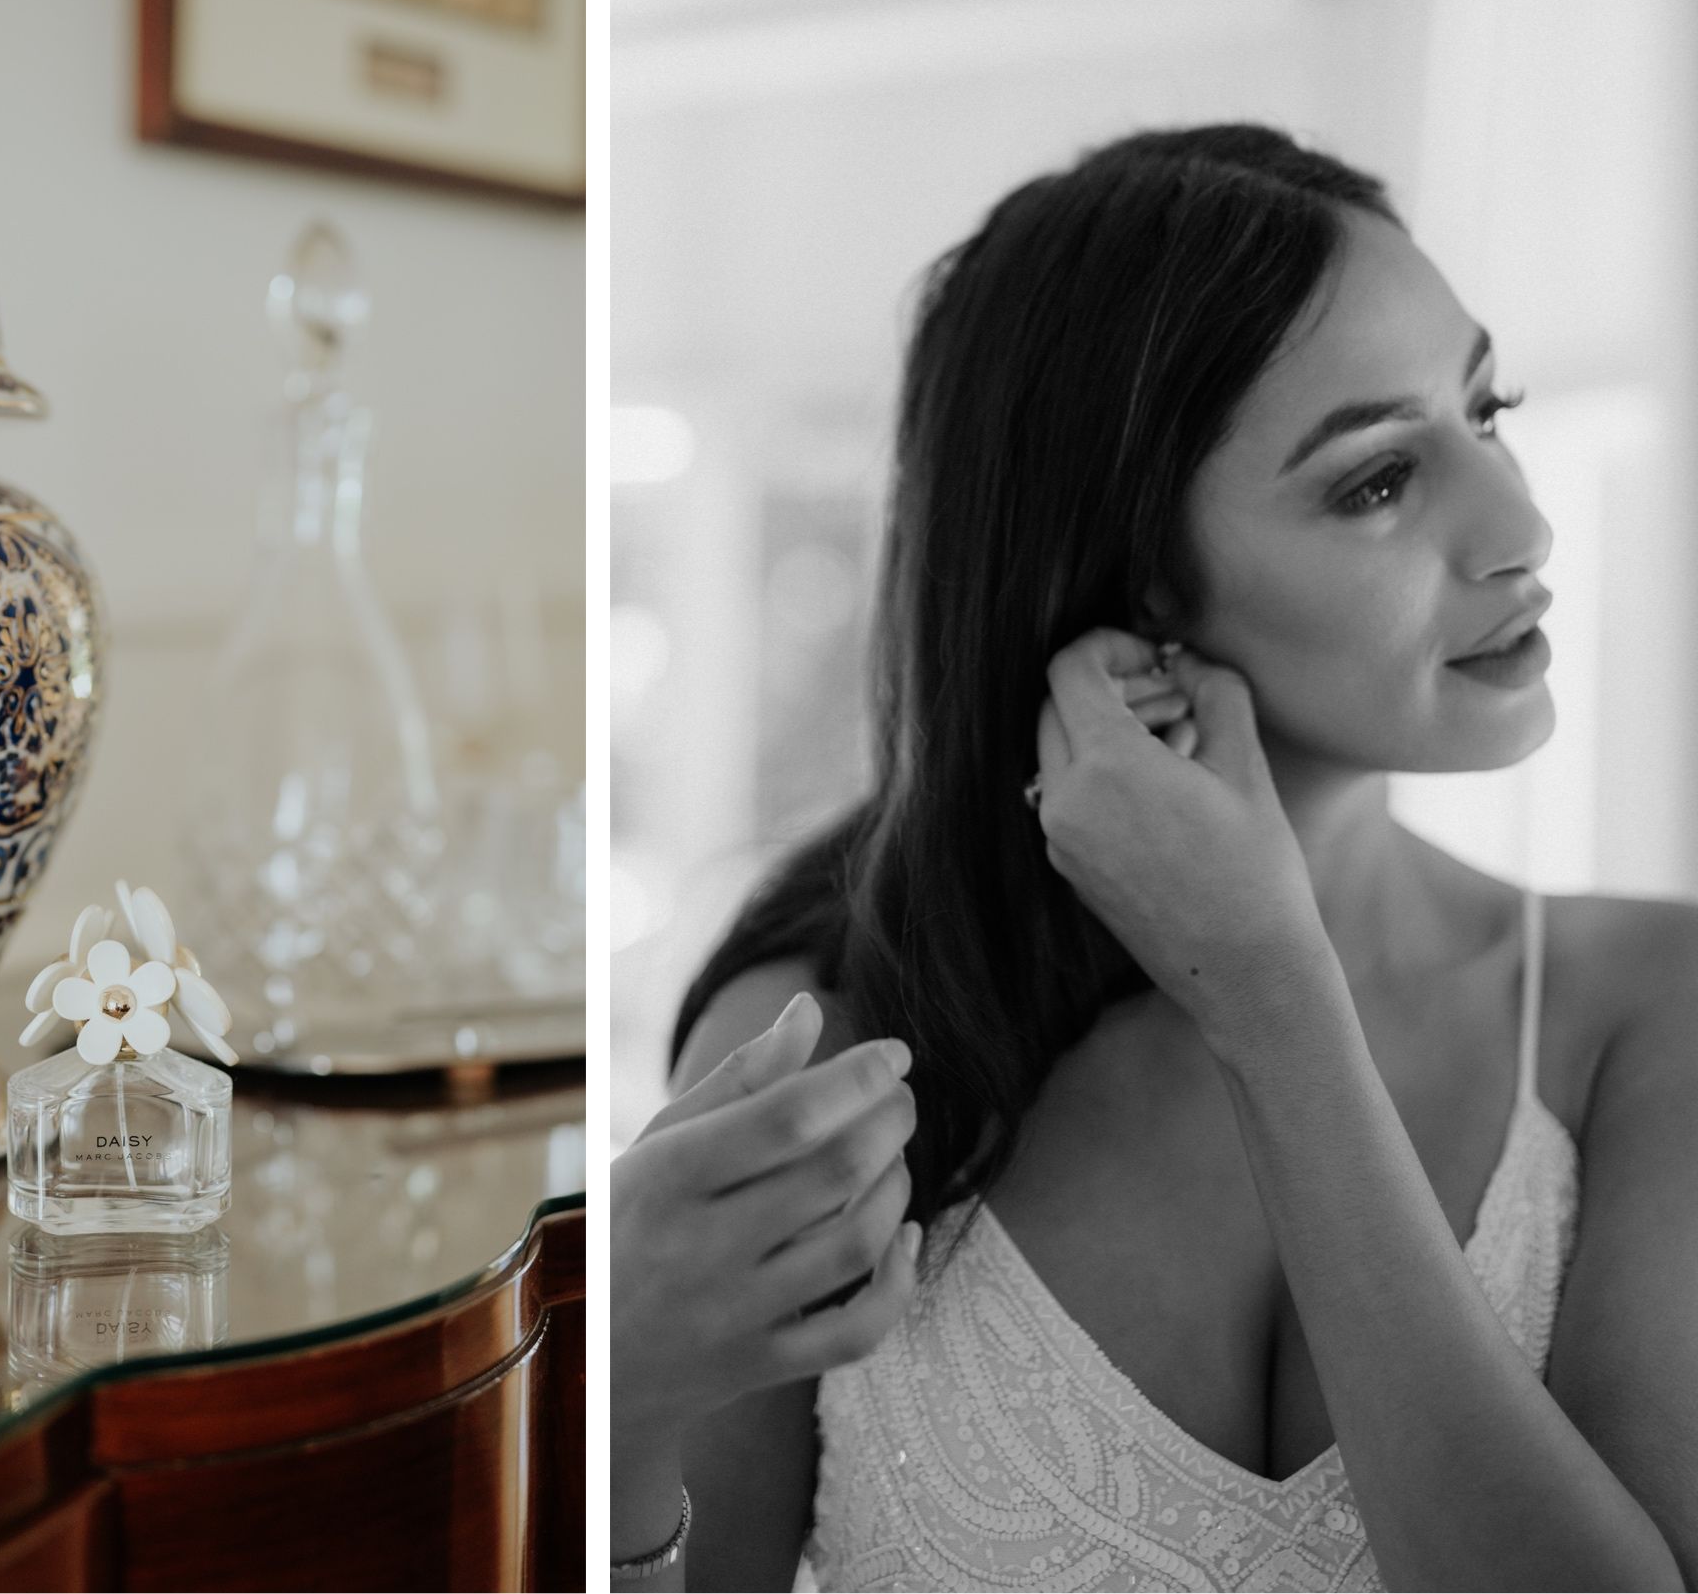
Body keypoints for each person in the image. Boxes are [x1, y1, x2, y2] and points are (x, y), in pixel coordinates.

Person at [610, 125, 1698, 1591]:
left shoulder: (1648, 1010)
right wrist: (620, 1403)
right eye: (1377, 481)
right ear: (1130, 579)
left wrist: (1271, 995)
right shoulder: (833, 1042)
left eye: (1485, 409)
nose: (1521, 526)